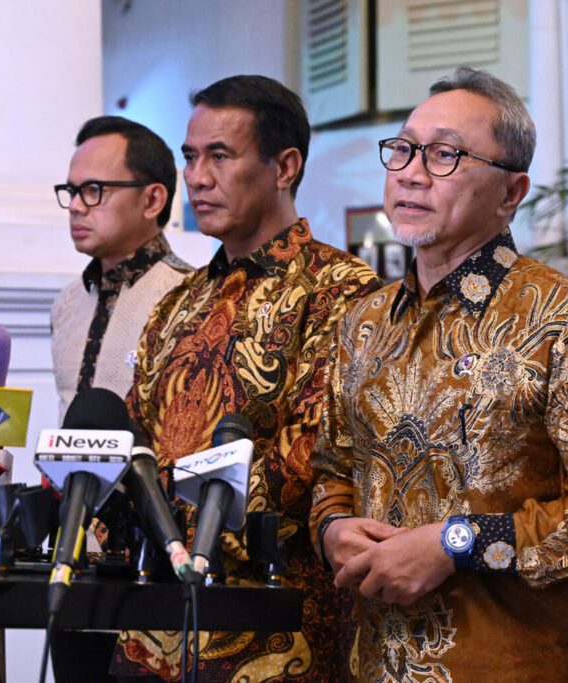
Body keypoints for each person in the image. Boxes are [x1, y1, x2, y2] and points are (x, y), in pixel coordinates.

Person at [310, 67, 568, 682]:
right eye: (403, 149)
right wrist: (333, 528)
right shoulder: (363, 321)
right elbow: (332, 471)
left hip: (512, 666)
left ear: (511, 192)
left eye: (445, 154)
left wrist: (457, 544)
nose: (412, 172)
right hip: (371, 664)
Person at [111, 75, 381, 682]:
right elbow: (134, 439)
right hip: (151, 628)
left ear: (284, 166)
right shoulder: (177, 304)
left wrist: (168, 513)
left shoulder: (343, 292)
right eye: (190, 157)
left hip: (273, 632)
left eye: (220, 156)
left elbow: (311, 460)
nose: (198, 177)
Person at [50, 116, 192, 420]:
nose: (75, 206)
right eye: (72, 191)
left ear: (152, 200)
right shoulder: (66, 303)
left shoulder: (192, 298)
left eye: (93, 189)